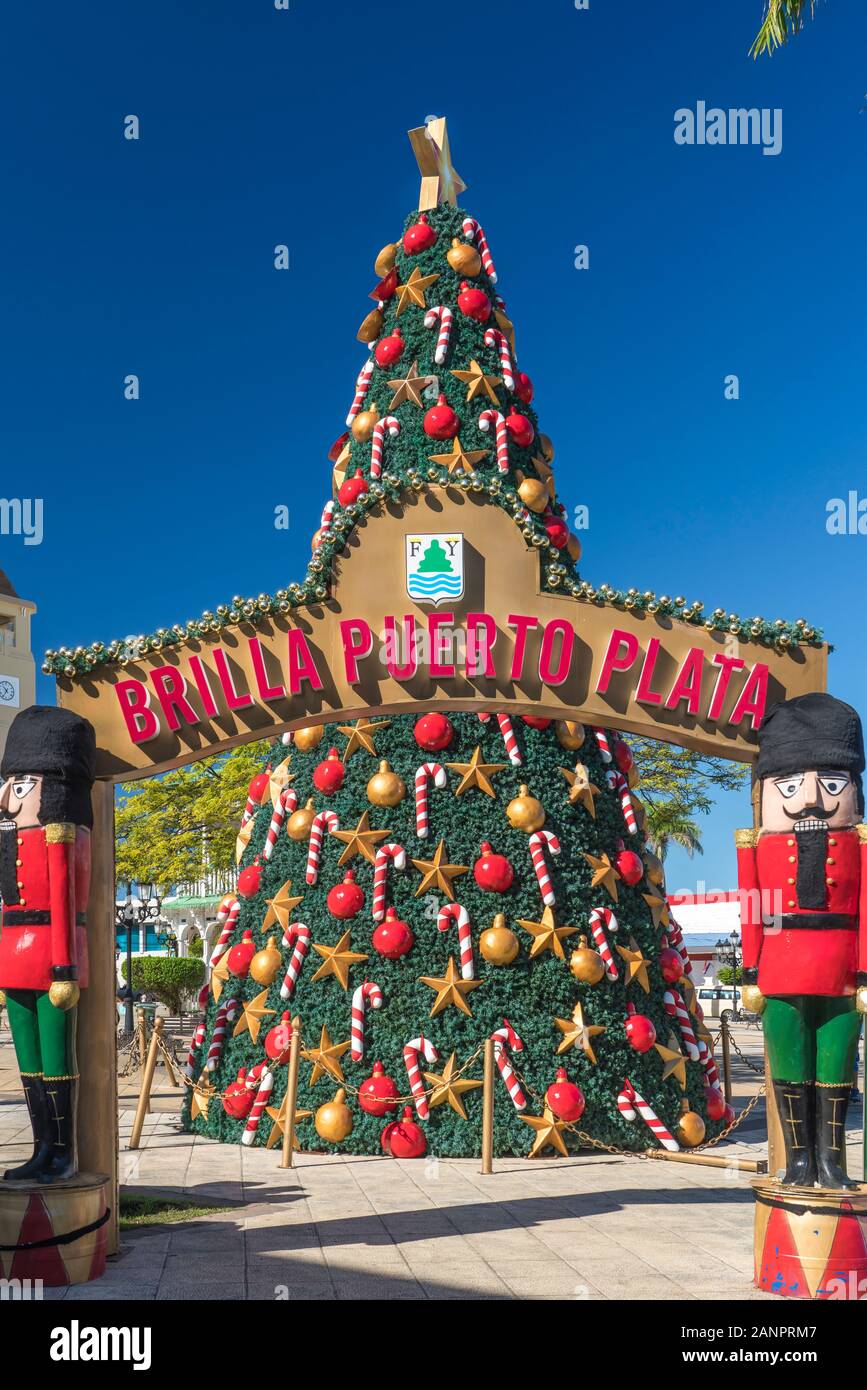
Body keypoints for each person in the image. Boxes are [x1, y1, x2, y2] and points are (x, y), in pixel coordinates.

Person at [736, 692, 866, 1189]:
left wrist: (864, 973)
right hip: (781, 971)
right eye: (789, 785)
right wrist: (751, 971)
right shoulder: (759, 848)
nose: (810, 798)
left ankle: (833, 1162)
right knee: (789, 1066)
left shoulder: (860, 845)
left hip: (840, 972)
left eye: (831, 783)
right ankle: (798, 1159)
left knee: (835, 1067)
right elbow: (753, 909)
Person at [0, 706, 96, 1183]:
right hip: (13, 958)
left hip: (51, 956)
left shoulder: (62, 836)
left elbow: (63, 901)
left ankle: (61, 1151)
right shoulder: (12, 839)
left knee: (57, 1059)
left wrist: (64, 967)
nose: (6, 799)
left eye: (20, 786)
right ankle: (41, 1148)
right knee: (30, 1061)